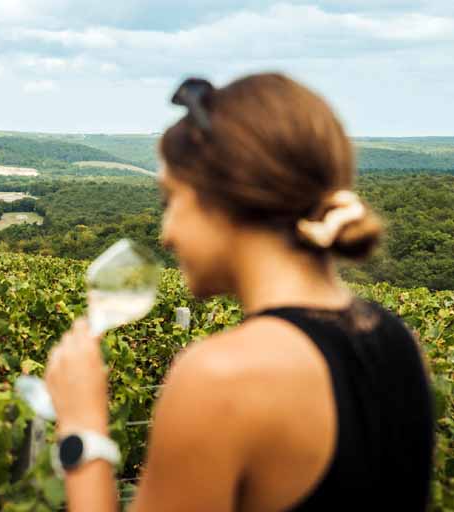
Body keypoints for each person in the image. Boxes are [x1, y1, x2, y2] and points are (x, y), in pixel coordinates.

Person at [43, 73, 434, 511]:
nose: (166, 234)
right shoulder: (399, 340)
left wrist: (82, 428)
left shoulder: (221, 375)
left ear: (224, 196)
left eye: (170, 200)